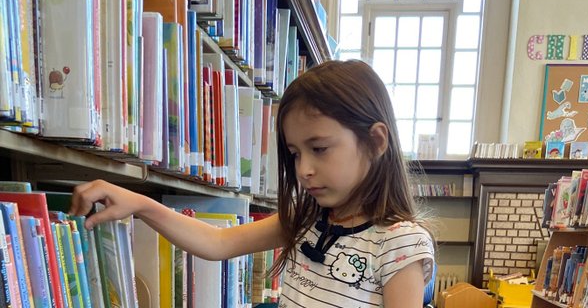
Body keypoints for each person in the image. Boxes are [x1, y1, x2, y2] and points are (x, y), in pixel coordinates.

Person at [70, 59, 435, 307]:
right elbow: (216, 243)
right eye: (294, 154)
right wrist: (140, 204)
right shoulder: (307, 220)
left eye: (319, 148)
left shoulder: (399, 243)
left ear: (375, 141)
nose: (304, 169)